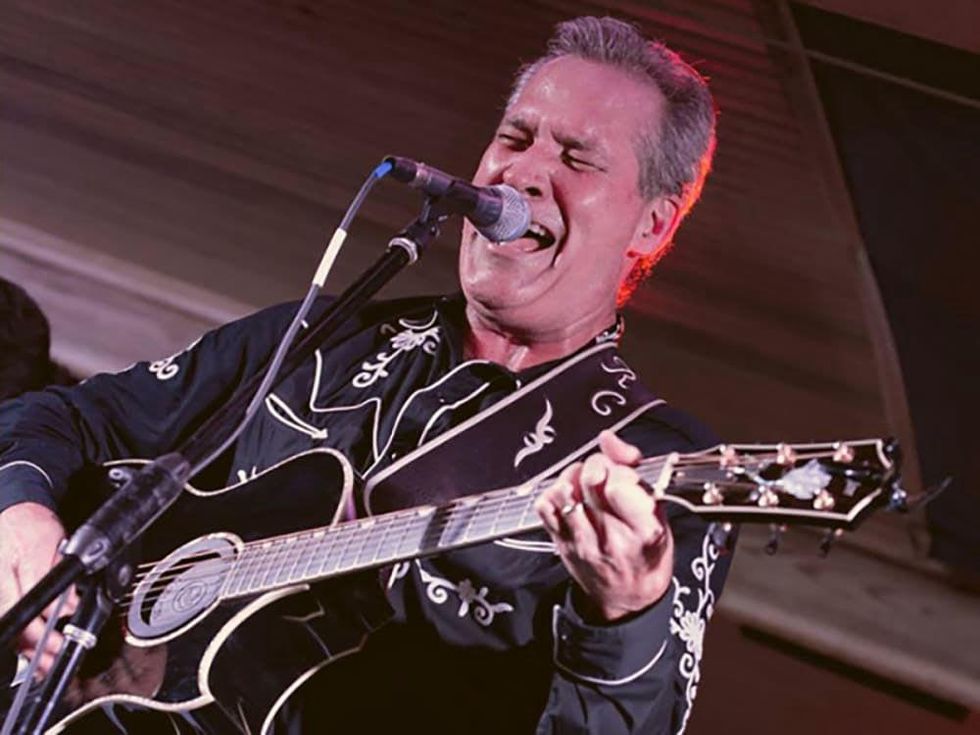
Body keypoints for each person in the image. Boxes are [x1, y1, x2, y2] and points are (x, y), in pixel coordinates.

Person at [0, 16, 730, 735]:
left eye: (577, 158)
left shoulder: (655, 464)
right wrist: (22, 520)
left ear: (653, 225)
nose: (523, 172)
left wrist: (625, 614)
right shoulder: (320, 337)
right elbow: (56, 418)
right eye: (515, 138)